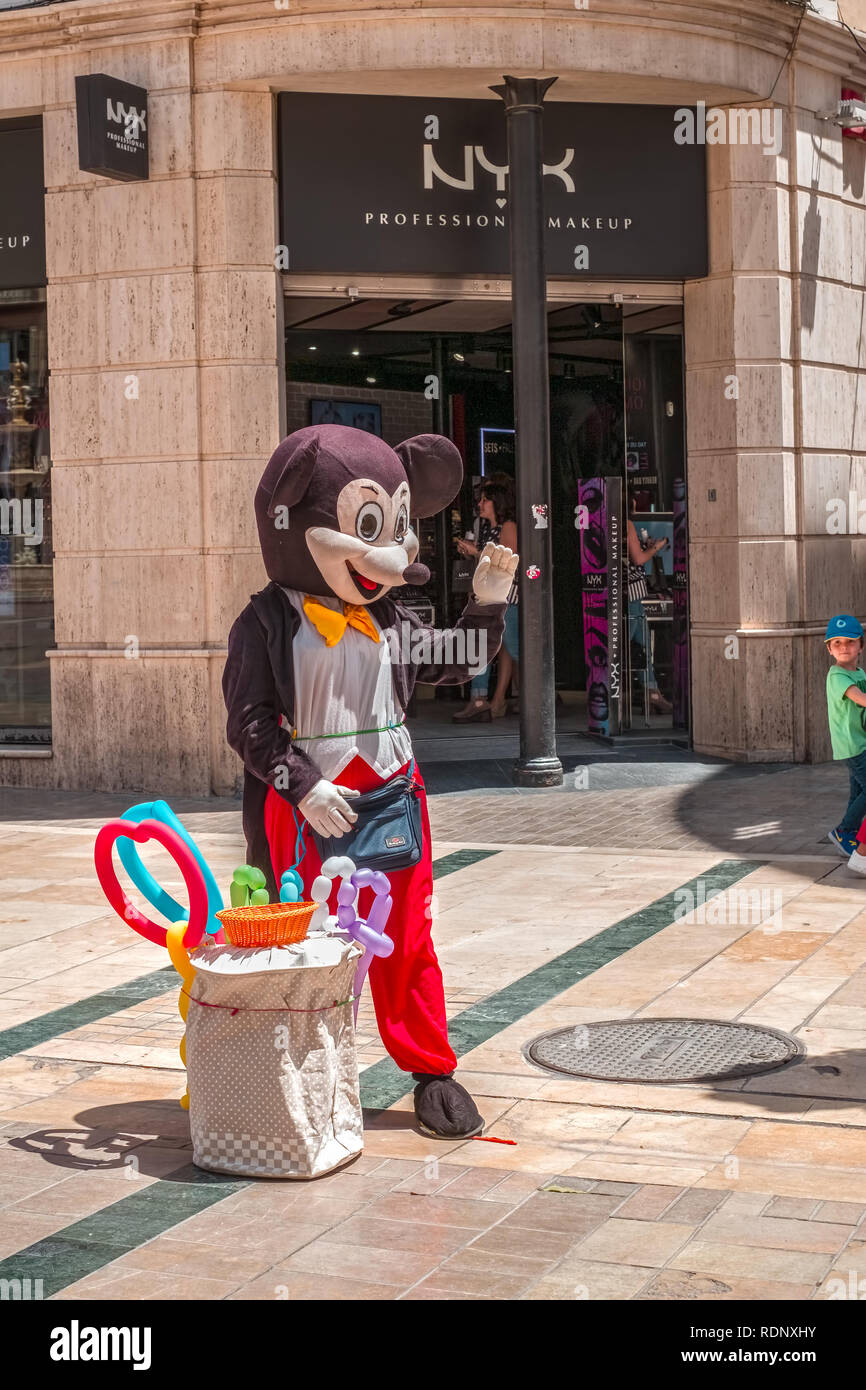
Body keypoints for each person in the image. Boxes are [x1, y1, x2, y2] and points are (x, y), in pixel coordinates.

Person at [223, 424, 518, 1139]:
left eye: (397, 525)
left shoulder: (392, 613)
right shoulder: (264, 622)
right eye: (366, 524)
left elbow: (453, 665)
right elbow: (251, 722)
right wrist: (299, 785)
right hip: (307, 810)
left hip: (393, 794)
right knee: (308, 943)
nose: (397, 552)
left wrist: (486, 605)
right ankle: (301, 1071)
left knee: (406, 937)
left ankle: (431, 1069)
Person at [452, 477, 519, 721]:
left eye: (485, 500)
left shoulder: (508, 526)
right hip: (489, 596)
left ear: (496, 502)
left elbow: (507, 561)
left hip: (505, 597)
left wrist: (475, 552)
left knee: (507, 646)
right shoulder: (487, 527)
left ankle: (486, 699)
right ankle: (485, 699)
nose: (480, 504)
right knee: (496, 647)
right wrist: (474, 552)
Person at [823, 613, 866, 860]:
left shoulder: (859, 673)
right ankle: (843, 831)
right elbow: (860, 699)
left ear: (861, 645)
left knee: (858, 793)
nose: (844, 647)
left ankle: (848, 835)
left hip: (861, 742)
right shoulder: (837, 676)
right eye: (837, 642)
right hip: (852, 745)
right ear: (829, 649)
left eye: (850, 641)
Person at [626, 517, 671, 715]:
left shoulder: (607, 522)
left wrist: (645, 546)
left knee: (643, 646)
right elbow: (638, 559)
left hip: (629, 595)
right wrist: (657, 547)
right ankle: (614, 696)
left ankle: (653, 695)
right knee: (622, 648)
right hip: (630, 595)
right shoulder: (624, 523)